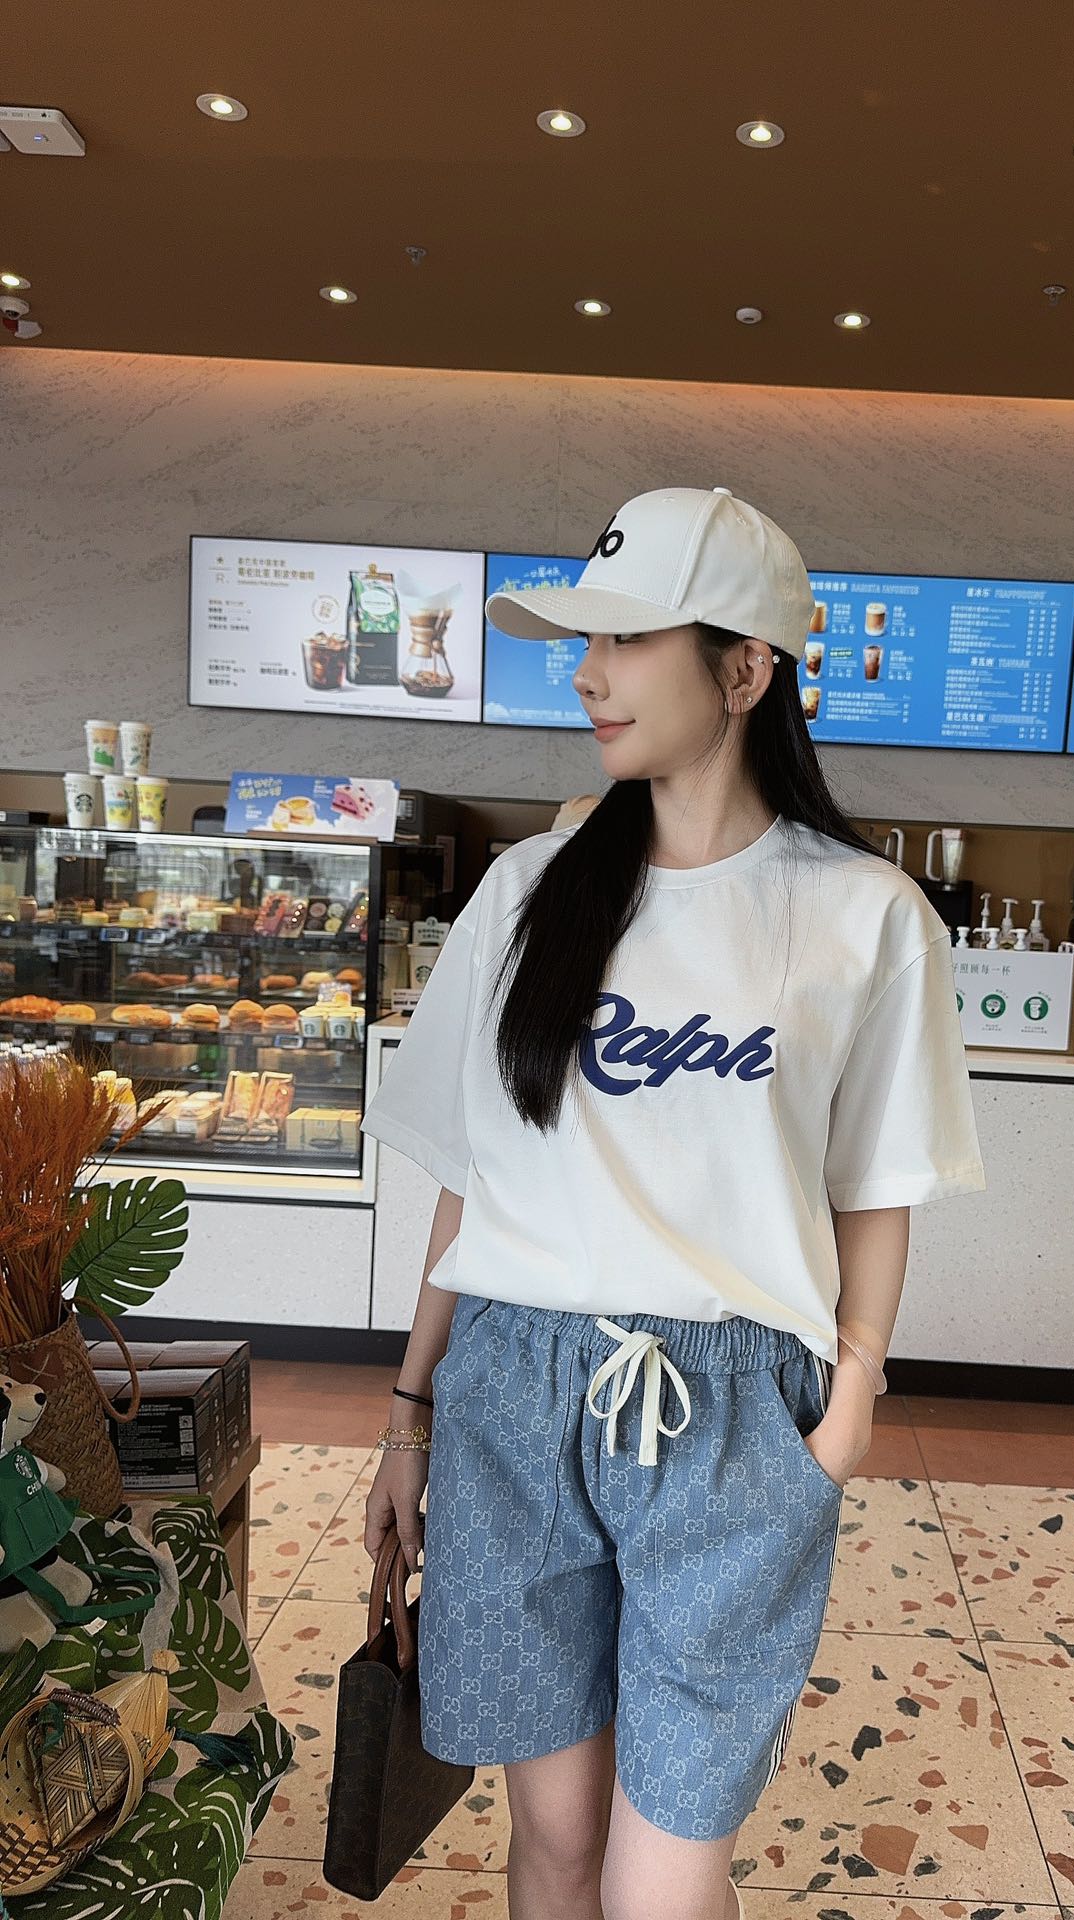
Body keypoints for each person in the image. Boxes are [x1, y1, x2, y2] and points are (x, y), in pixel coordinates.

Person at [359, 486, 986, 1920]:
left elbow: (876, 1187)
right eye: (582, 641)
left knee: (667, 1860)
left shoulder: (865, 915)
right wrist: (409, 1411)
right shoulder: (527, 895)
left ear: (746, 669)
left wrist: (849, 1407)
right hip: (514, 1393)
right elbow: (473, 1184)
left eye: (627, 638)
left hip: (737, 1413)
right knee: (555, 1839)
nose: (586, 675)